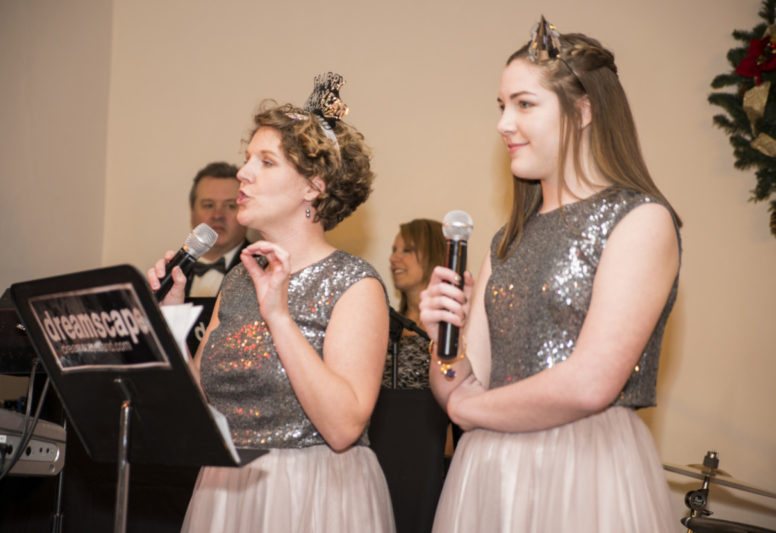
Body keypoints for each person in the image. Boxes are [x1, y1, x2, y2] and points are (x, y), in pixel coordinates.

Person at [419, 17, 682, 533]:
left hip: (582, 468)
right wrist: (442, 345)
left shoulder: (639, 221)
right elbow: (459, 387)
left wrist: (472, 411)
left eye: (524, 104)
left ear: (582, 111)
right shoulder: (507, 239)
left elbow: (589, 385)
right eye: (501, 106)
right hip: (490, 473)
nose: (503, 123)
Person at [149, 73, 395, 533]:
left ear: (313, 187)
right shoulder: (239, 281)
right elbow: (196, 406)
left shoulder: (356, 284)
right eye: (248, 160)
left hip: (314, 495)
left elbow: (343, 428)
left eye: (265, 162)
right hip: (226, 491)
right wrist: (170, 316)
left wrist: (277, 314)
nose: (243, 174)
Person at [368, 218, 449, 533]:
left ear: (434, 256)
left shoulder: (455, 329)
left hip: (427, 466)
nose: (393, 258)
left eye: (407, 249)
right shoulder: (380, 324)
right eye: (393, 250)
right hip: (378, 460)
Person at [186, 161, 250, 298]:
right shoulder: (171, 271)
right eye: (208, 205)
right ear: (192, 212)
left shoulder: (264, 269)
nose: (218, 215)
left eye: (230, 206)